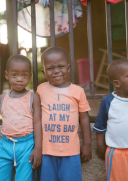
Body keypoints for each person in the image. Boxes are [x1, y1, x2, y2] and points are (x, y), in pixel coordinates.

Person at [37, 47, 92, 180]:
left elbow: (84, 119)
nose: (56, 71)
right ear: (44, 72)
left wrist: (87, 144)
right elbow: (36, 118)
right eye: (50, 68)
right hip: (46, 151)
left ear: (68, 68)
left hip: (71, 151)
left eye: (61, 66)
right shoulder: (41, 89)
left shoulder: (78, 91)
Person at [94, 59, 128, 181]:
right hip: (118, 153)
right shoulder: (108, 101)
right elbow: (100, 126)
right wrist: (100, 146)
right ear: (117, 83)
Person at [0, 55, 42, 180]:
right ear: (7, 75)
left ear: (29, 76)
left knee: (24, 178)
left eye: (24, 75)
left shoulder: (33, 97)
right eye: (14, 75)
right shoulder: (2, 98)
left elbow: (38, 123)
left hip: (27, 145)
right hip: (5, 145)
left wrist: (38, 148)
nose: (19, 79)